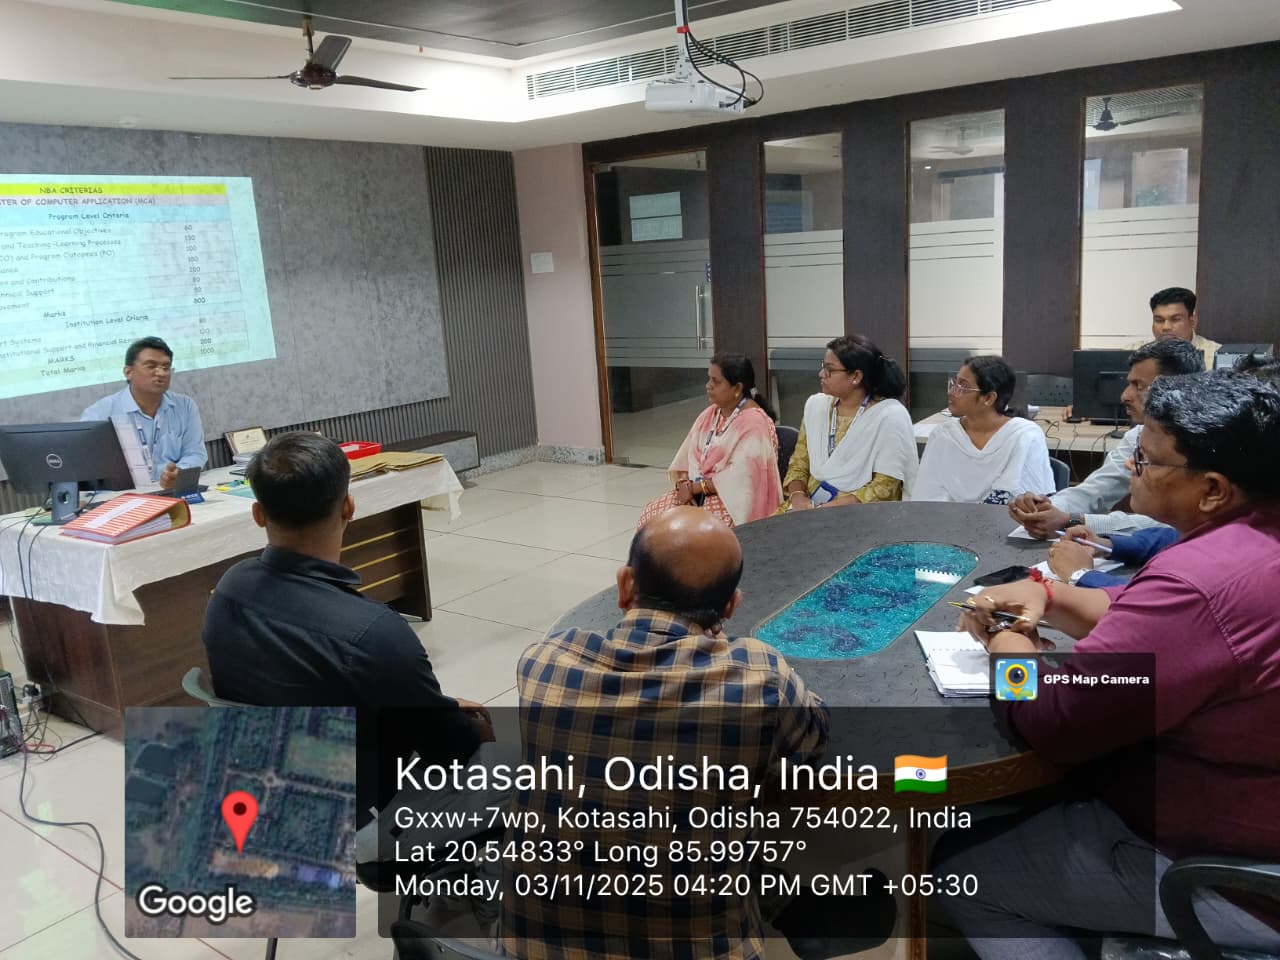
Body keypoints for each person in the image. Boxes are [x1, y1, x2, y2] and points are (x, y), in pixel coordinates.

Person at [933, 372, 1280, 958]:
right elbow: (1149, 617)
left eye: (1147, 460)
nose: (1131, 470)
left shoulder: (1200, 581)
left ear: (1212, 489)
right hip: (1244, 820)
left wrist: (1005, 640)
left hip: (1229, 874)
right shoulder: (1251, 540)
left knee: (962, 874)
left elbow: (1054, 720)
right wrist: (1049, 595)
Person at [503, 507, 845, 960]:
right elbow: (814, 739)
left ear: (625, 585)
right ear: (730, 606)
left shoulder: (544, 663)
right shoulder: (759, 678)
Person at [201, 432, 505, 875]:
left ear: (258, 514)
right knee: (526, 765)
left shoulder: (228, 590)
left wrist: (427, 706)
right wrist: (453, 720)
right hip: (355, 824)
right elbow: (450, 748)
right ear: (348, 507)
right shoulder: (372, 632)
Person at [1009, 338, 1203, 537]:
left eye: (1139, 386)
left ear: (1176, 391)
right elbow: (1094, 491)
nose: (1125, 396)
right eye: (1129, 384)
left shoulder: (1205, 443)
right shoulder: (1137, 436)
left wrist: (1073, 520)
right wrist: (1045, 509)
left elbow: (1173, 523)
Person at [637, 354, 782, 529]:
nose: (708, 386)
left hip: (733, 504)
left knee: (687, 531)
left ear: (737, 388)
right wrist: (684, 486)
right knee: (651, 519)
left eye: (716, 382)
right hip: (697, 493)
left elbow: (742, 478)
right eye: (709, 379)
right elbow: (686, 459)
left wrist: (696, 488)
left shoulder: (754, 424)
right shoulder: (711, 414)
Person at [782, 335, 917, 511]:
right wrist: (798, 497)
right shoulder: (817, 407)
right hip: (806, 508)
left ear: (856, 376)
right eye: (823, 367)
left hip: (860, 515)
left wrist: (825, 510)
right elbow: (798, 463)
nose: (821, 374)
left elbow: (884, 488)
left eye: (830, 369)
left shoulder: (889, 416)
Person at [913, 355, 1053, 504]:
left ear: (988, 398)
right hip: (948, 518)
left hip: (1007, 518)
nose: (951, 392)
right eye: (953, 383)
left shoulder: (1024, 436)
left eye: (962, 387)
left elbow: (1028, 502)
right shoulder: (943, 435)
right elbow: (926, 498)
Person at [80, 335, 207, 490]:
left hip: (170, 489)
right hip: (123, 493)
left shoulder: (185, 406)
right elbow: (85, 465)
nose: (161, 373)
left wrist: (178, 474)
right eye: (151, 366)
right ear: (128, 372)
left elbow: (196, 453)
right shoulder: (100, 413)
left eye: (166, 367)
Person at [1134, 287, 1220, 370]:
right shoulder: (1134, 351)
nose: (1166, 327)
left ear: (1193, 321)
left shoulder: (1216, 355)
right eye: (1159, 320)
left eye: (1175, 319)